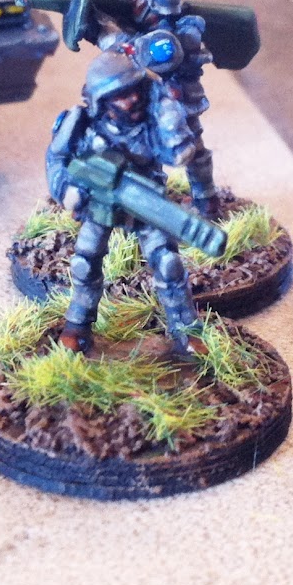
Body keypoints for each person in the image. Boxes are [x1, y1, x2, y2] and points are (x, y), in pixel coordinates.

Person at [46, 51, 208, 356]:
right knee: (84, 263)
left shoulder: (153, 121)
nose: (132, 100)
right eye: (121, 95)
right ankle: (77, 325)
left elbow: (178, 155)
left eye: (135, 90)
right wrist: (67, 190)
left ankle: (186, 333)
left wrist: (172, 120)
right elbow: (56, 158)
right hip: (101, 205)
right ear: (102, 99)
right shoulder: (82, 125)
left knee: (168, 264)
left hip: (146, 204)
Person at [96, 0, 220, 219]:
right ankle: (154, 208)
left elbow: (139, 52)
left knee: (190, 151)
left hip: (177, 103)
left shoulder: (177, 35)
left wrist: (103, 33)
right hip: (152, 102)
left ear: (151, 2)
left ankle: (206, 202)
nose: (134, 3)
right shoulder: (151, 30)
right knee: (148, 157)